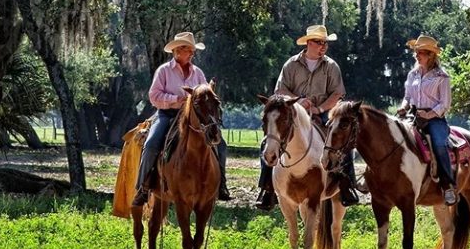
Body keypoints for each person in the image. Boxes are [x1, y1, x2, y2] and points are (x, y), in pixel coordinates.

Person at [255, 24, 359, 210]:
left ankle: (346, 185)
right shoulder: (291, 64)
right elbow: (280, 90)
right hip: (294, 112)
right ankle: (267, 189)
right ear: (309, 43)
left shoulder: (331, 66)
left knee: (342, 141)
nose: (323, 47)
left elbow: (337, 94)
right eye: (319, 43)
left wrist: (319, 109)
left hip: (323, 110)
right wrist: (298, 101)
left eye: (325, 43)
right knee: (267, 143)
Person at [132, 31, 230, 206]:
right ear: (177, 51)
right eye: (187, 49)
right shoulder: (163, 71)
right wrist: (176, 100)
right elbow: (154, 96)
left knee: (220, 144)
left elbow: (206, 94)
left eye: (192, 50)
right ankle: (144, 187)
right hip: (167, 115)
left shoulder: (198, 73)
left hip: (193, 119)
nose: (191, 53)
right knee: (152, 144)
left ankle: (221, 184)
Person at [397, 34, 456, 205]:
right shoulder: (412, 74)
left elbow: (445, 104)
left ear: (431, 55)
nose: (417, 55)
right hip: (413, 116)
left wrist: (428, 115)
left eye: (421, 52)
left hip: (435, 120)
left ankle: (447, 185)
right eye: (416, 52)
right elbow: (407, 96)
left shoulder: (442, 77)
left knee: (439, 144)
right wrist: (404, 106)